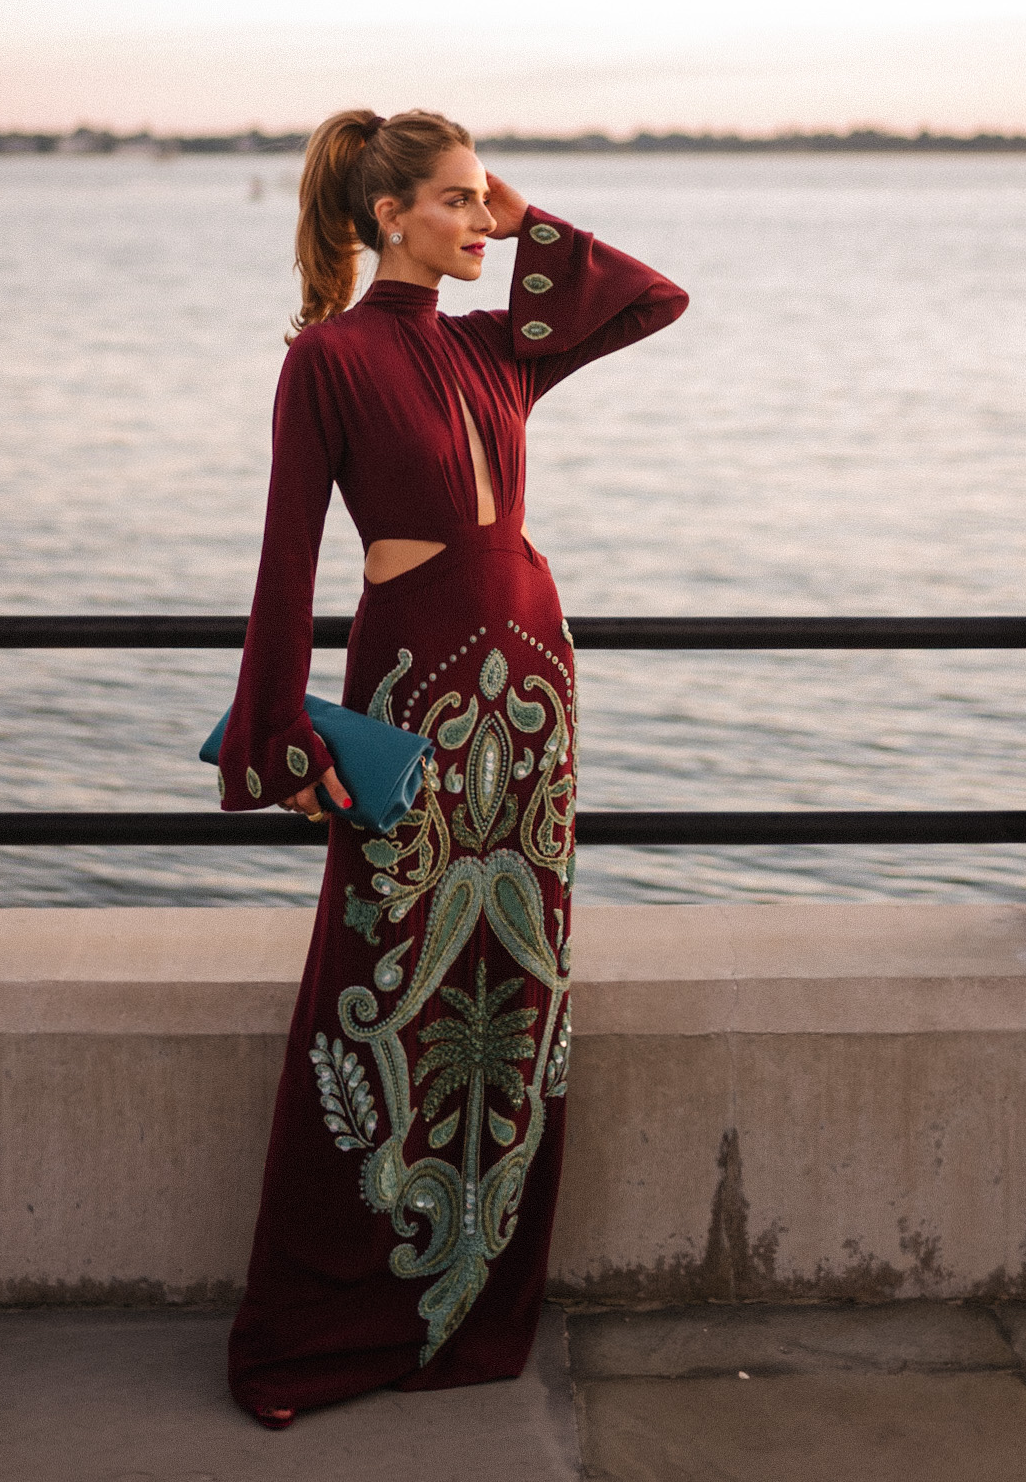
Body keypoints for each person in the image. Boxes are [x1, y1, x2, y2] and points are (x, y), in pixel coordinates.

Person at [218, 108, 688, 1425]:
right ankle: (329, 1318)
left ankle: (469, 1301)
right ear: (386, 219)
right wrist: (273, 732)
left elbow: (650, 299)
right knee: (374, 983)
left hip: (531, 702)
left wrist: (519, 209)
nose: (480, 226)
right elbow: (283, 564)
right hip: (413, 693)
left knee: (514, 989)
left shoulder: (499, 352)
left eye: (485, 204)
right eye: (454, 203)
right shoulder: (326, 360)